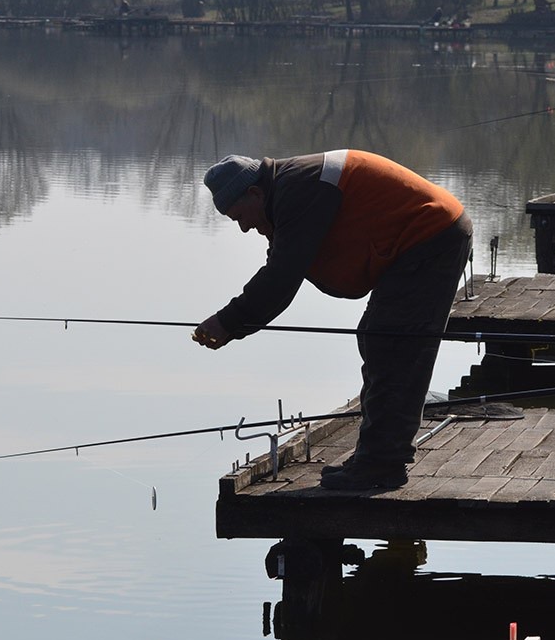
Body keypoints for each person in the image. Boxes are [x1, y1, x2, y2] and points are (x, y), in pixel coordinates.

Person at [193, 150, 472, 491]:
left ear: (254, 193)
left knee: (392, 345)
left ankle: (382, 464)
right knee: (377, 339)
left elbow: (281, 277)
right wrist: (233, 322)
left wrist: (227, 322)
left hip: (432, 234)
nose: (244, 227)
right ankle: (377, 455)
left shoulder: (299, 189)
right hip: (422, 238)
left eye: (239, 216)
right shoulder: (286, 191)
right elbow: (283, 264)